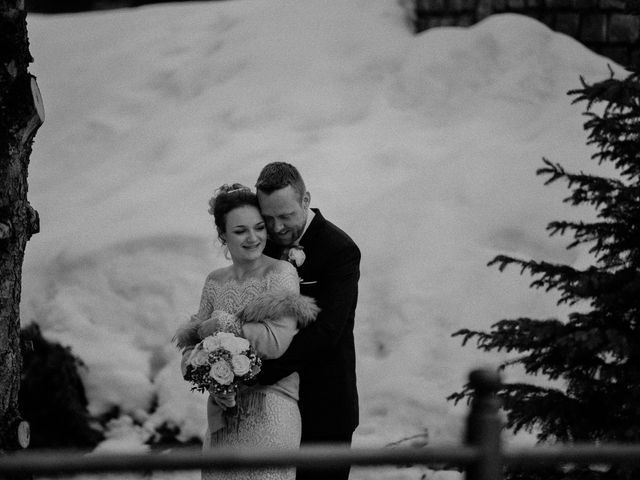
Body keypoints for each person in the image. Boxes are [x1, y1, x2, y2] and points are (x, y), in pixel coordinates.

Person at [174, 183, 319, 480]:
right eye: (240, 231)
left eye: (259, 228)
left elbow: (275, 342)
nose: (253, 238)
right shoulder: (214, 281)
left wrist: (223, 326)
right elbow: (192, 346)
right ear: (223, 235)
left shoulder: (281, 273)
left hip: (271, 408)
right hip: (221, 417)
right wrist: (204, 370)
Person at [255, 162, 361, 480]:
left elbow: (328, 331)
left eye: (285, 215)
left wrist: (261, 370)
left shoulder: (340, 250)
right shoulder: (262, 245)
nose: (276, 228)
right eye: (268, 217)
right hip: (270, 407)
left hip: (325, 402)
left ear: (305, 200)